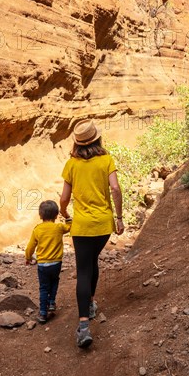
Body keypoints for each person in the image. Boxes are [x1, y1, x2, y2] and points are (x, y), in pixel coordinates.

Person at [60, 119, 124, 348]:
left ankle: (84, 326)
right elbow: (115, 188)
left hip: (82, 226)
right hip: (103, 226)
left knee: (84, 269)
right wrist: (119, 217)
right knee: (92, 261)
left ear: (77, 143)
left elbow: (64, 197)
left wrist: (63, 212)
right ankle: (91, 303)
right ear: (97, 138)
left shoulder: (72, 164)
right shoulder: (107, 160)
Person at [25, 200, 71, 324]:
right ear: (56, 215)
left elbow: (30, 247)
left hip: (42, 264)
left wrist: (28, 258)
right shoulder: (59, 227)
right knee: (55, 281)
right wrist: (67, 216)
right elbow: (70, 226)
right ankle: (51, 303)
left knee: (44, 288)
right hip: (56, 263)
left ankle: (43, 313)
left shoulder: (37, 229)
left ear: (40, 215)